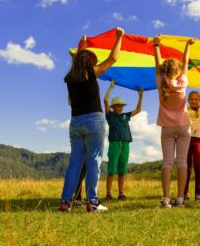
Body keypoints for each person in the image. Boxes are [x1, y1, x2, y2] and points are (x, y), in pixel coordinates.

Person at [59, 27, 124, 212]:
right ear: (89, 63)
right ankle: (93, 202)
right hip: (93, 122)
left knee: (75, 163)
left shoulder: (70, 78)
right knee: (93, 161)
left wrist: (83, 45)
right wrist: (119, 37)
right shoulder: (92, 73)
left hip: (75, 123)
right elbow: (113, 58)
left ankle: (65, 202)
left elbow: (78, 61)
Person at [153, 35, 195, 208]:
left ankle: (166, 199)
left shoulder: (161, 82)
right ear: (178, 72)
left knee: (167, 162)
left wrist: (156, 45)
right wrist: (187, 45)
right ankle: (180, 199)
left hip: (167, 128)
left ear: (164, 71)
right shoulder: (183, 82)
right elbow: (185, 62)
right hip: (184, 127)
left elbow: (157, 63)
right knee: (182, 162)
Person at [104, 80, 143, 201]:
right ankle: (108, 194)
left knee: (122, 171)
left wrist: (141, 95)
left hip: (126, 144)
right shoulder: (110, 115)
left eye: (121, 105)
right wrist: (110, 88)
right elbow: (105, 101)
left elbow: (138, 110)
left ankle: (121, 193)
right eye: (118, 105)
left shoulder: (125, 116)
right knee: (111, 170)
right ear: (114, 107)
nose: (121, 107)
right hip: (114, 144)